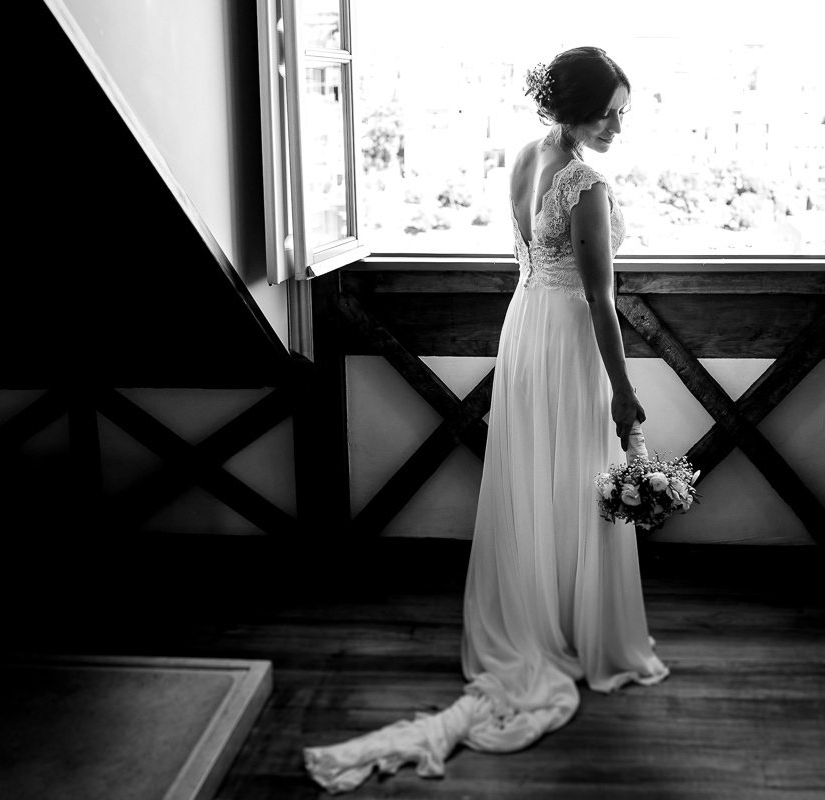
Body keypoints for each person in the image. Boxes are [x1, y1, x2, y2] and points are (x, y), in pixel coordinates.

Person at [303, 47, 668, 794]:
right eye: (611, 113)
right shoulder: (588, 184)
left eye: (622, 114)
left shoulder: (529, 155)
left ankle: (541, 617)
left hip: (527, 324)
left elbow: (529, 255)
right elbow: (601, 299)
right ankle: (569, 631)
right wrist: (621, 389)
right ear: (578, 107)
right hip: (566, 337)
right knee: (574, 474)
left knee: (539, 474)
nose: (618, 127)